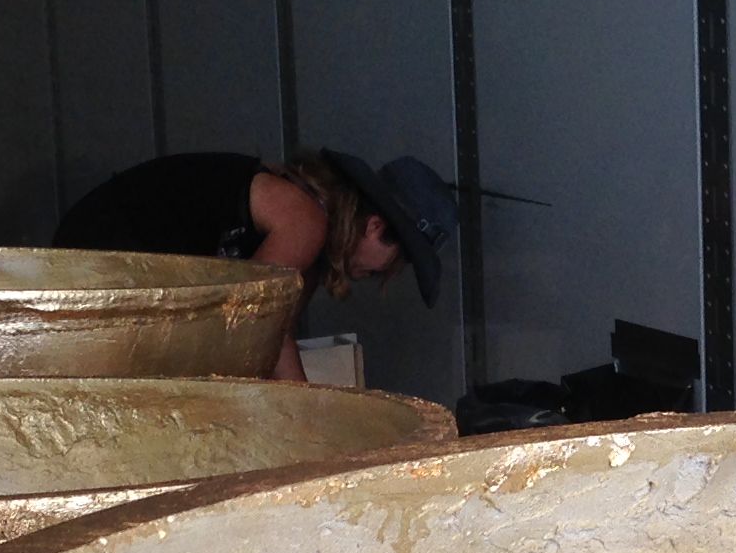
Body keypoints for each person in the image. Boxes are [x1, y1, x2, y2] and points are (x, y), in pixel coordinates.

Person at [54, 147, 457, 380]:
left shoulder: (310, 249)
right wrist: (308, 418)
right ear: (375, 227)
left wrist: (305, 408)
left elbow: (275, 335)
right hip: (96, 258)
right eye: (397, 262)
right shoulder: (305, 220)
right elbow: (250, 320)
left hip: (110, 269)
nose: (386, 274)